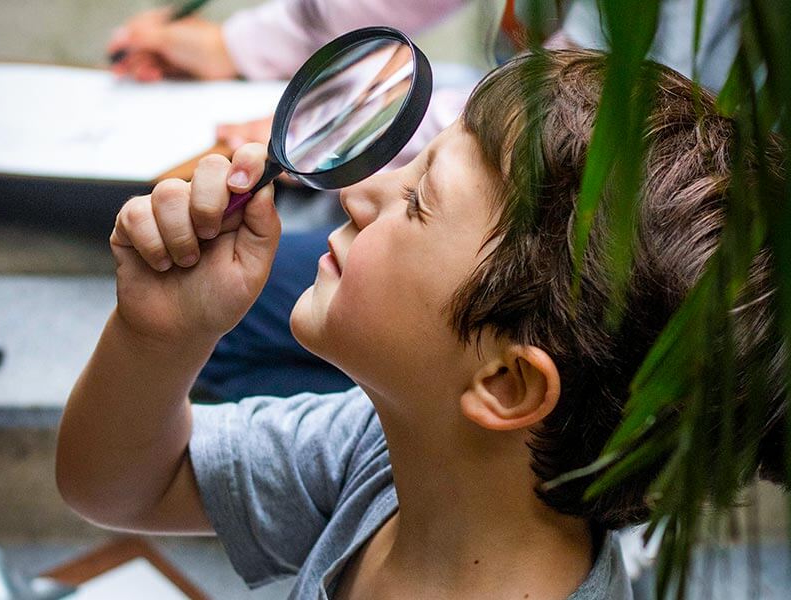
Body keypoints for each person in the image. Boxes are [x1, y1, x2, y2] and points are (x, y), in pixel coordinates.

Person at [56, 50, 785, 599]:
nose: (360, 193)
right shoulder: (379, 458)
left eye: (416, 200)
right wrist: (159, 337)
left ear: (505, 382)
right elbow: (125, 487)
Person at [106, 0, 744, 401]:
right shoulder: (324, 456)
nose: (358, 196)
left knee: (231, 330)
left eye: (415, 198)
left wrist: (343, 130)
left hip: (606, 244)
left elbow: (586, 110)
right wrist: (235, 47)